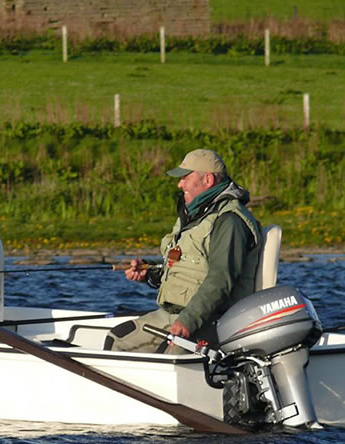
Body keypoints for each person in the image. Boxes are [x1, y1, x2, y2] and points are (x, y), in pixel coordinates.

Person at [105, 148, 262, 353]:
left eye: (185, 178)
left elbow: (220, 280)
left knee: (168, 356)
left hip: (211, 321)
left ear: (207, 180)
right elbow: (188, 266)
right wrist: (150, 272)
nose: (180, 184)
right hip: (174, 315)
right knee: (116, 339)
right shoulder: (196, 215)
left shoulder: (229, 221)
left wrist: (188, 321)